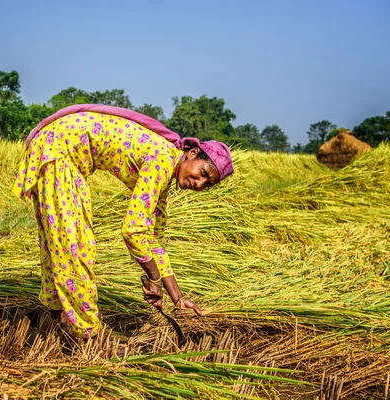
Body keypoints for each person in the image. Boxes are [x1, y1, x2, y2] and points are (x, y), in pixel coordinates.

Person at [12, 104, 234, 339]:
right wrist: (154, 279)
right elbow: (133, 230)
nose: (199, 183)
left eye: (207, 184)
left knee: (58, 242)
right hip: (59, 151)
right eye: (203, 173)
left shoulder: (165, 171)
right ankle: (89, 336)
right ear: (192, 154)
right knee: (74, 244)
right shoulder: (162, 160)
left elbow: (152, 240)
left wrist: (177, 298)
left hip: (57, 151)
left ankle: (57, 320)